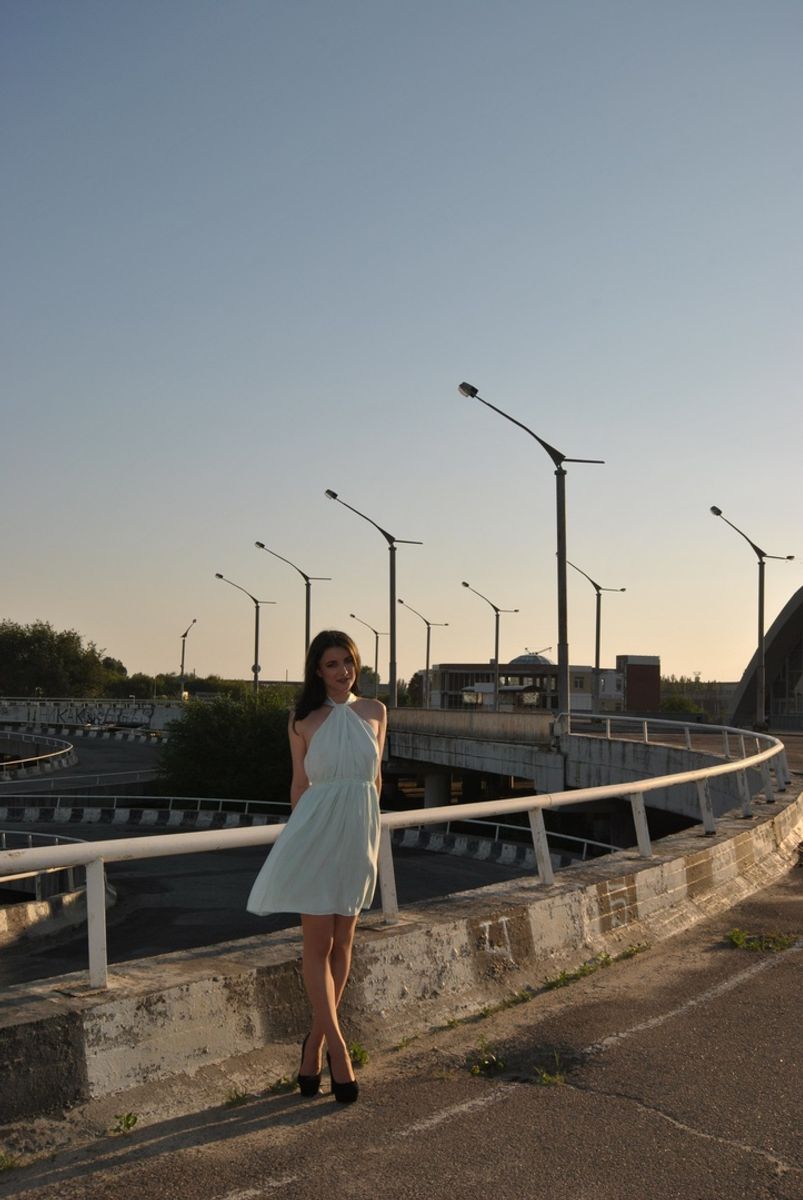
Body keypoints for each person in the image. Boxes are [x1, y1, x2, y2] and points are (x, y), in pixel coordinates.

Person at [246, 630, 386, 1103]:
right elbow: (298, 785)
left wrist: (369, 837)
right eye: (332, 664)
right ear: (317, 671)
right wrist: (295, 842)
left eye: (348, 661)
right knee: (318, 943)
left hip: (358, 834)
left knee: (344, 941)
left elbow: (375, 781)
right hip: (316, 834)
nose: (343, 671)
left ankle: (313, 1047)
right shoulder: (302, 719)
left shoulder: (376, 711)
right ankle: (339, 1051)